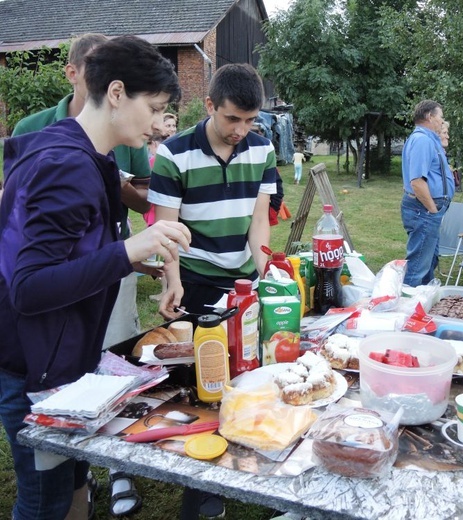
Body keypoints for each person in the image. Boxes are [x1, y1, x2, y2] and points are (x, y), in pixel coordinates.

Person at [0, 35, 188, 520]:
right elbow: (30, 286)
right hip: (29, 363)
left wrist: (132, 258)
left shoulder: (87, 156)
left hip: (58, 356)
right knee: (44, 502)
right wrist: (127, 250)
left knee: (71, 483)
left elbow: (71, 249)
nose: (156, 125)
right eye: (155, 108)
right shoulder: (66, 165)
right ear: (119, 92)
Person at [148, 62, 276, 519]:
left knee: (250, 369)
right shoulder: (174, 154)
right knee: (206, 386)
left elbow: (259, 220)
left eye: (250, 120)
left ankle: (254, 458)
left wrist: (267, 274)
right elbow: (166, 229)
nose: (242, 130)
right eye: (231, 119)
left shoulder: (262, 150)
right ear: (209, 106)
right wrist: (174, 280)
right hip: (197, 279)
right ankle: (203, 492)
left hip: (243, 279)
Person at [13, 33, 152, 352]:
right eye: (95, 71)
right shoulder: (30, 129)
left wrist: (117, 185)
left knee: (113, 350)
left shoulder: (127, 130)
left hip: (113, 254)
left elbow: (146, 203)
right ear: (71, 73)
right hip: (50, 260)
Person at [401, 99, 454, 287]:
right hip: (424, 210)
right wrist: (432, 210)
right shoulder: (422, 140)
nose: (442, 121)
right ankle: (407, 308)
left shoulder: (428, 140)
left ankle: (422, 304)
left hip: (427, 210)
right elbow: (417, 181)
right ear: (430, 116)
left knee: (429, 262)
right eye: (440, 117)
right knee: (417, 267)